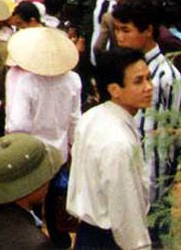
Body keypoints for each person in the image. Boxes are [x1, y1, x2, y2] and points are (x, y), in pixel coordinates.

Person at [66, 47, 154, 250]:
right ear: (114, 90)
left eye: (149, 78)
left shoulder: (92, 117)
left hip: (89, 235)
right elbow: (126, 216)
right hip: (110, 239)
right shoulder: (118, 143)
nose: (149, 87)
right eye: (139, 81)